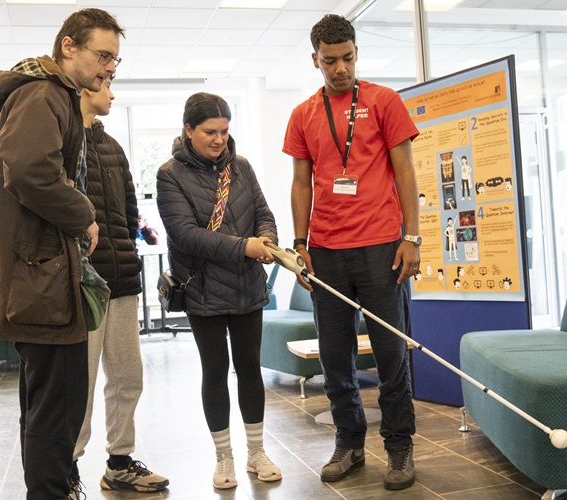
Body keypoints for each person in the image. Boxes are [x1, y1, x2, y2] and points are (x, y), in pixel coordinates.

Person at [0, 8, 121, 499]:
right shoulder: (44, 94)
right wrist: (83, 213)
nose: (108, 68)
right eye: (102, 55)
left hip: (37, 273)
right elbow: (29, 173)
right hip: (40, 278)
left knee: (45, 402)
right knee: (55, 407)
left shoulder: (44, 93)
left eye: (114, 61)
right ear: (68, 46)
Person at [283, 14, 421, 491]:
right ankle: (349, 443)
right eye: (329, 61)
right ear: (315, 59)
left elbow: (405, 172)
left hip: (382, 246)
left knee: (390, 355)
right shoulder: (303, 113)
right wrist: (299, 244)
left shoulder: (384, 101)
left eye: (346, 58)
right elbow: (302, 183)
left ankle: (400, 447)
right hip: (326, 251)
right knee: (335, 359)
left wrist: (413, 237)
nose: (339, 69)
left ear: (356, 52)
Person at [157, 92, 282, 490]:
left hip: (247, 287)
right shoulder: (169, 175)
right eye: (210, 132)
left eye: (225, 132)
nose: (219, 140)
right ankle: (223, 456)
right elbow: (185, 235)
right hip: (203, 291)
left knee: (250, 369)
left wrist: (267, 238)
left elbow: (263, 212)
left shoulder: (241, 167)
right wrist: (244, 246)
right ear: (188, 130)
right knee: (214, 372)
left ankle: (257, 452)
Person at [71, 80, 169, 493]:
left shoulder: (112, 147)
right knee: (81, 382)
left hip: (122, 277)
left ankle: (120, 462)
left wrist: (132, 241)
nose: (111, 94)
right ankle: (67, 468)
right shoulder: (63, 139)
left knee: (128, 376)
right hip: (81, 283)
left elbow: (129, 209)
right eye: (104, 86)